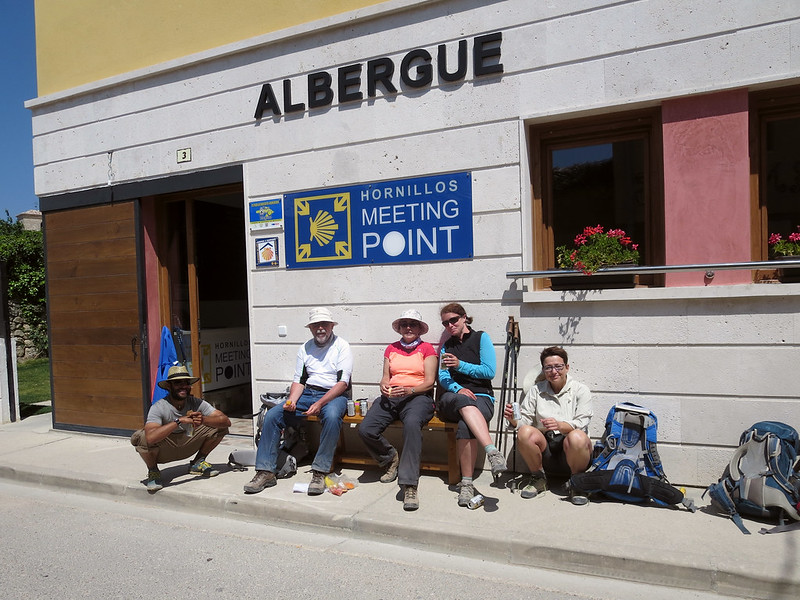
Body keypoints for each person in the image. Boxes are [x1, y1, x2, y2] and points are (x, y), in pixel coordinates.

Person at [244, 307, 353, 496]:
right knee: (273, 415)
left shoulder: (342, 346)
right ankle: (266, 471)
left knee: (332, 416)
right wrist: (292, 400)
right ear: (310, 328)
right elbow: (299, 380)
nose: (320, 328)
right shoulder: (305, 348)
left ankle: (319, 472)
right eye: (315, 325)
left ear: (331, 326)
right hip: (308, 393)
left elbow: (343, 383)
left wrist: (320, 403)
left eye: (324, 324)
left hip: (334, 394)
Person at [358, 309, 437, 511]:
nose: (408, 327)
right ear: (400, 328)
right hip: (392, 396)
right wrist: (383, 385)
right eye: (404, 324)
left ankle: (409, 485)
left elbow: (430, 382)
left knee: (411, 424)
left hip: (418, 397)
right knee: (366, 428)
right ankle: (389, 457)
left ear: (420, 329)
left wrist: (411, 390)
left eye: (413, 324)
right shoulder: (391, 348)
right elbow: (386, 376)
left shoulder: (427, 349)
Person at [437, 302, 507, 507]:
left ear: (464, 318)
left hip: (482, 397)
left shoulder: (481, 338)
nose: (450, 325)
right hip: (453, 397)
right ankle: (492, 451)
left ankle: (466, 484)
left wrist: (460, 365)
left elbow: (489, 371)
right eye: (445, 323)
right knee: (463, 399)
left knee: (465, 425)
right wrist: (458, 388)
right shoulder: (447, 346)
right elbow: (443, 376)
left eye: (453, 320)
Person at [503, 346, 593, 504]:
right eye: (548, 367)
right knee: (524, 432)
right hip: (546, 450)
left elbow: (582, 422)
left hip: (572, 451)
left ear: (567, 367)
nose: (554, 371)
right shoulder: (535, 390)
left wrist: (560, 425)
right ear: (543, 370)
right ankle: (538, 478)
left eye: (558, 366)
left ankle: (578, 482)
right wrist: (513, 420)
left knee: (578, 436)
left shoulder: (581, 390)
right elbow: (525, 419)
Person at [131, 365, 231, 493]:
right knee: (142, 437)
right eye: (178, 383)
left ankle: (198, 462)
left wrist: (203, 420)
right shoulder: (159, 407)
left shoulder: (196, 402)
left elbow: (226, 421)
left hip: (188, 441)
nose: (183, 386)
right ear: (169, 386)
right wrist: (179, 421)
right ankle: (153, 471)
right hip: (166, 447)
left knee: (219, 427)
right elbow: (150, 438)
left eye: (186, 383)